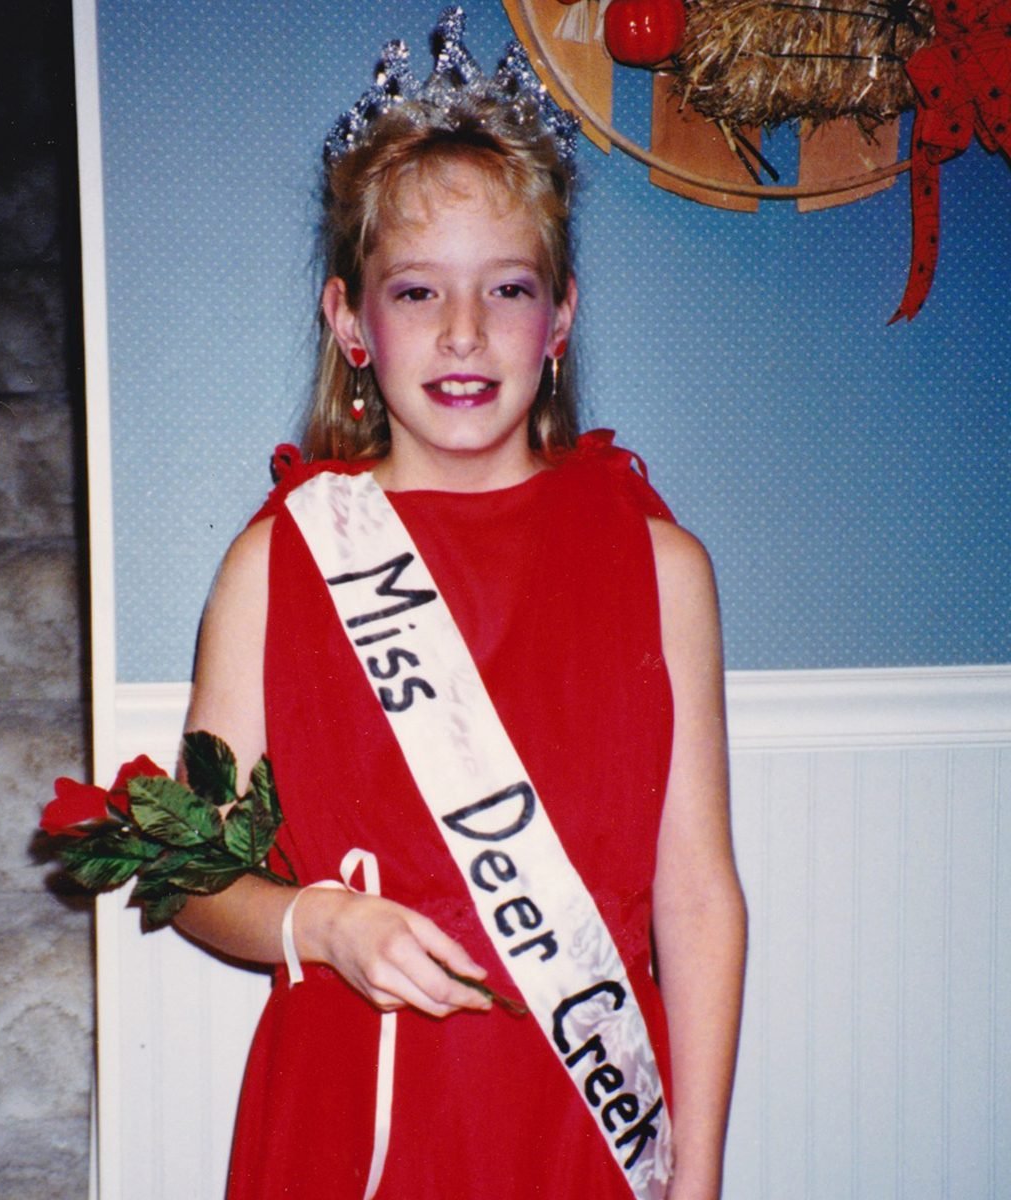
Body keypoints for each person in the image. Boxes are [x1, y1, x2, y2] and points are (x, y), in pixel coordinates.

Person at [174, 9, 745, 1199]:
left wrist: (698, 1176)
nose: (466, 331)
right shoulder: (280, 562)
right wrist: (323, 926)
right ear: (351, 323)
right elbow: (192, 878)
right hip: (353, 1109)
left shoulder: (662, 569)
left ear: (562, 317)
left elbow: (696, 891)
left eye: (510, 287)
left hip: (579, 1125)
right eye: (419, 292)